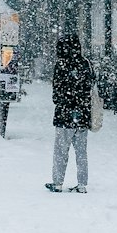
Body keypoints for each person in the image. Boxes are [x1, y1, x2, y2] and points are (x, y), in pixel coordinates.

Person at [45, 35, 94, 193]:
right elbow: (91, 86)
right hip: (83, 114)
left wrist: (65, 101)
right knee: (81, 152)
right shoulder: (85, 63)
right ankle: (82, 184)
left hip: (64, 115)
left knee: (61, 150)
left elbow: (56, 93)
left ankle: (58, 182)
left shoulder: (61, 65)